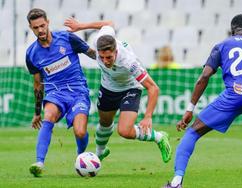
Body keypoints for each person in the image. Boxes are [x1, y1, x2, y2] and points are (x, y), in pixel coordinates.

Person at [164, 14, 242, 188]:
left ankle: (176, 182)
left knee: (192, 132)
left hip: (233, 96)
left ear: (232, 30)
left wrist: (190, 109)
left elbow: (204, 76)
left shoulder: (222, 46)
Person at [64, 18, 172, 163]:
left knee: (124, 131)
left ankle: (159, 137)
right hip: (108, 87)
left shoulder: (128, 61)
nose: (105, 61)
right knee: (104, 123)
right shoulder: (99, 40)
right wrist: (80, 26)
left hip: (130, 87)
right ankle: (100, 152)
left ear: (116, 51)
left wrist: (148, 117)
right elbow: (108, 23)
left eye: (109, 57)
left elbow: (153, 88)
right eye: (101, 57)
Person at [26, 8, 96, 177]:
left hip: (78, 91)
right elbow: (37, 84)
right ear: (31, 28)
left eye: (42, 25)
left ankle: (81, 157)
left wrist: (111, 58)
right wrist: (37, 113)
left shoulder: (67, 38)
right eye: (36, 28)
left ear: (48, 22)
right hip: (55, 93)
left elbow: (92, 54)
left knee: (80, 131)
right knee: (48, 115)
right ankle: (39, 162)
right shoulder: (32, 53)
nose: (40, 30)